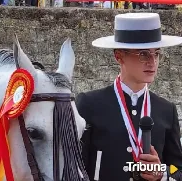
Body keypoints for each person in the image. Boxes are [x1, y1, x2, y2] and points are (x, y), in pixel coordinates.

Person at [76, 12, 182, 181]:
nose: (152, 62)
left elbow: (178, 169)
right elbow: (75, 166)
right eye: (143, 54)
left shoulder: (166, 109)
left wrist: (162, 172)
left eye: (156, 54)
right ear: (119, 56)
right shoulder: (89, 104)